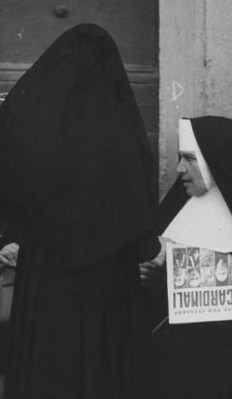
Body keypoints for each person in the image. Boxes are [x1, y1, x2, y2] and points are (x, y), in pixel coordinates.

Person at [0, 24, 159, 398]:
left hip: (40, 276)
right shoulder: (114, 131)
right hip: (104, 283)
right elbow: (135, 216)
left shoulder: (28, 122)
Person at [140, 116, 232, 398]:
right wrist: (143, 271)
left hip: (230, 355)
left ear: (218, 160)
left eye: (189, 159)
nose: (180, 169)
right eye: (181, 158)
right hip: (164, 346)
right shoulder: (172, 207)